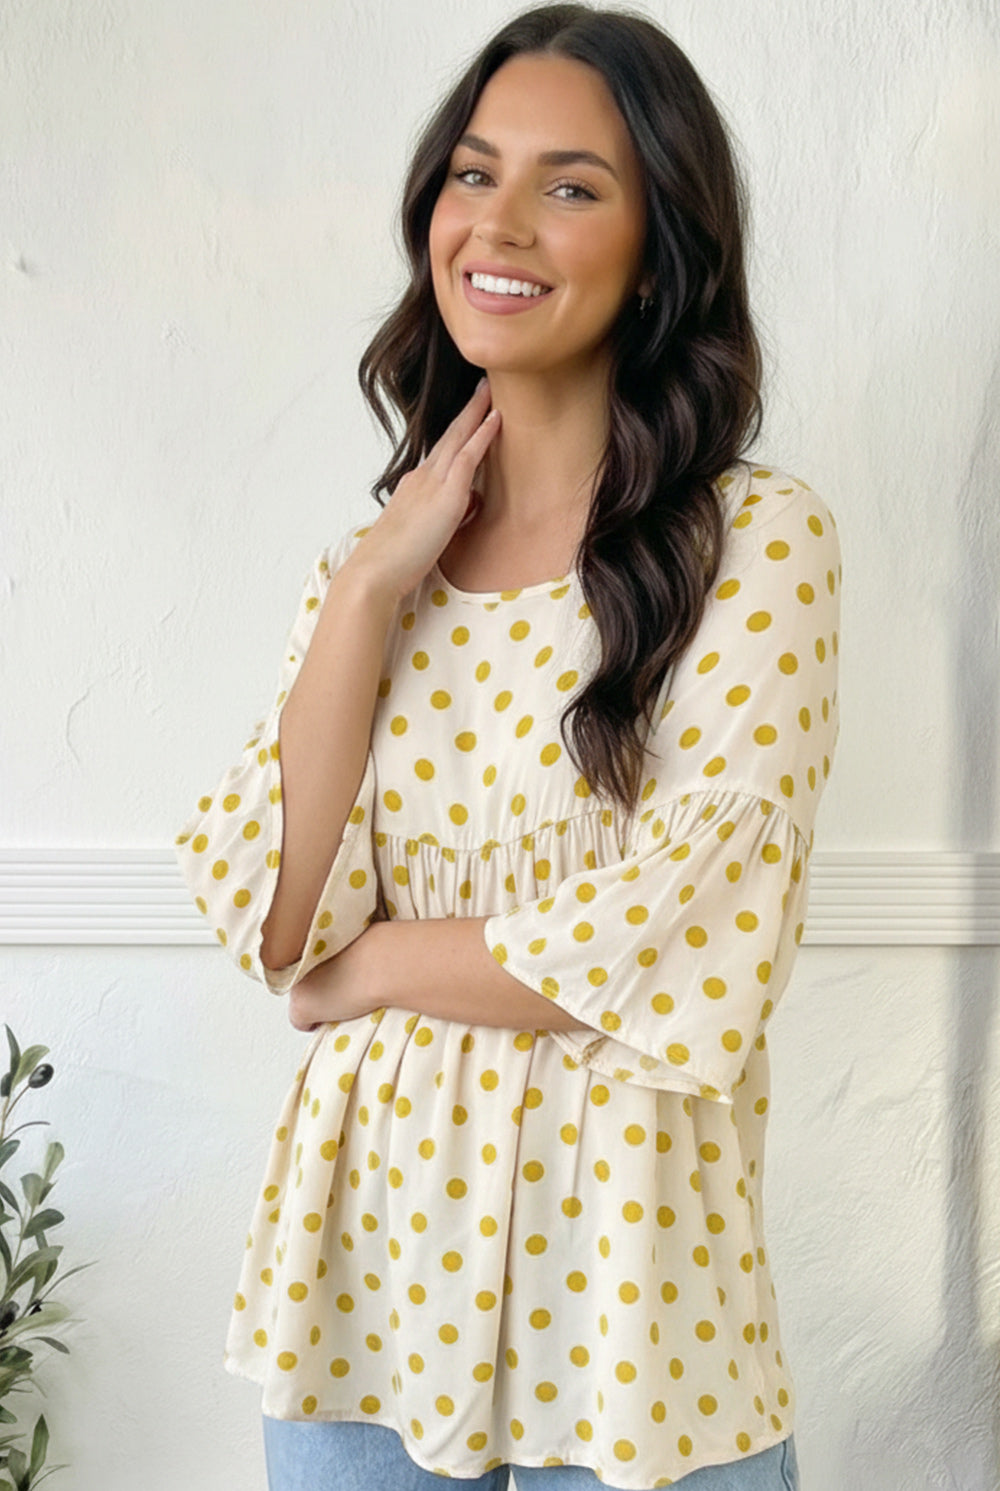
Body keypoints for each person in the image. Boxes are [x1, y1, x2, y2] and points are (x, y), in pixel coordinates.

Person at [174, 4, 840, 1488]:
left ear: (660, 251)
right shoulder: (367, 577)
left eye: (572, 185)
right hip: (357, 1304)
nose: (503, 223)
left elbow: (684, 931)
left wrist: (368, 972)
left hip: (636, 1330)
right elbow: (276, 920)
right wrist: (368, 593)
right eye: (475, 174)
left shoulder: (756, 543)